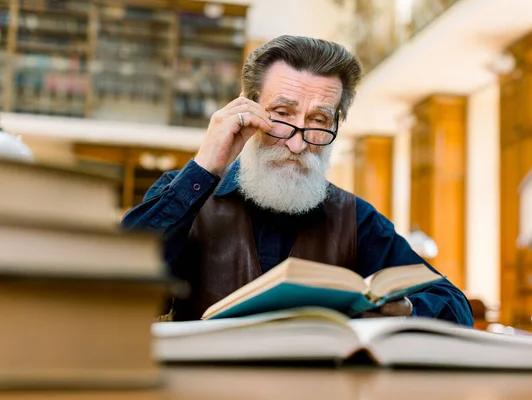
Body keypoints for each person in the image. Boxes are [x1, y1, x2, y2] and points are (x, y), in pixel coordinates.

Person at [122, 35, 473, 326]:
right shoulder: (183, 192)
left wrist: (406, 309)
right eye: (282, 114)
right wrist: (204, 168)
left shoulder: (355, 218)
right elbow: (118, 282)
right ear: (249, 108)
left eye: (319, 120)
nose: (298, 142)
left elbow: (454, 304)